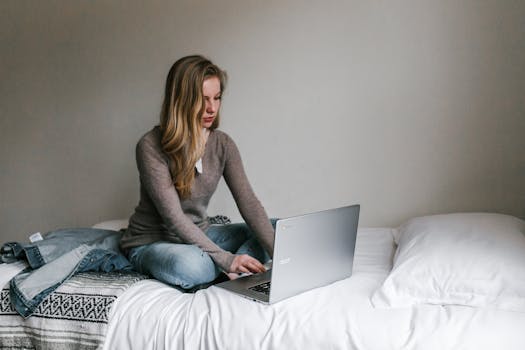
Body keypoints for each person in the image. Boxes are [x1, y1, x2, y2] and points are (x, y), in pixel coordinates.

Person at [120, 55, 275, 291]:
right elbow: (174, 218)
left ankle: (240, 270)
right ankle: (230, 266)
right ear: (181, 100)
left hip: (202, 234)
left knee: (278, 229)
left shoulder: (223, 144)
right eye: (203, 100)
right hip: (154, 241)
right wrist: (226, 259)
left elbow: (249, 204)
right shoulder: (150, 145)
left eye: (217, 98)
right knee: (191, 266)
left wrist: (281, 254)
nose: (212, 108)